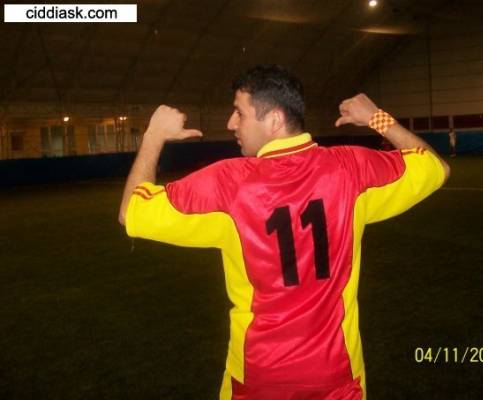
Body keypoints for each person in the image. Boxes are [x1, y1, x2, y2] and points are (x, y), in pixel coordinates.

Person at [118, 64, 450, 400]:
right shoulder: (351, 170)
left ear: (274, 120)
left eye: (239, 113)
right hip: (337, 377)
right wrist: (376, 117)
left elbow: (131, 210)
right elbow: (435, 167)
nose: (231, 123)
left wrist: (154, 135)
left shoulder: (227, 184)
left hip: (257, 379)